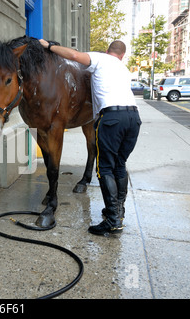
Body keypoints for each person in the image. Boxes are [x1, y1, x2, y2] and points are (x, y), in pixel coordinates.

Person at [39, 39, 141, 236]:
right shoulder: (123, 68)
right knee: (119, 166)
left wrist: (50, 46)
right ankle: (118, 213)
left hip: (112, 118)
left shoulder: (101, 59)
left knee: (105, 168)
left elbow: (75, 57)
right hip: (133, 118)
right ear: (122, 55)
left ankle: (112, 221)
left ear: (106, 51)